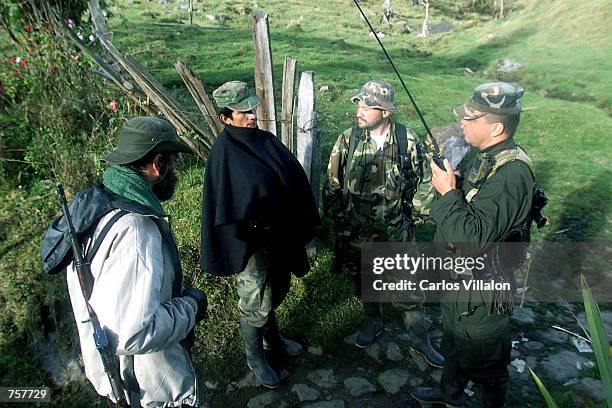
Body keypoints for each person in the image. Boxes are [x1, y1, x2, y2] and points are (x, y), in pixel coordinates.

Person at [42, 117, 208, 407]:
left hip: (116, 376)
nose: (175, 172)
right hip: (148, 387)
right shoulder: (135, 230)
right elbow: (133, 332)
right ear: (157, 165)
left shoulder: (97, 207)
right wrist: (191, 307)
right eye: (173, 163)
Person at [411, 82, 535, 407]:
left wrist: (447, 193)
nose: (462, 124)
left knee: (487, 364)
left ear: (496, 127)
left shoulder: (512, 174)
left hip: (483, 292)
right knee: (454, 340)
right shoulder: (488, 158)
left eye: (471, 119)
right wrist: (455, 184)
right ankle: (449, 393)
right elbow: (474, 205)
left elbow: (471, 239)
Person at [200, 81, 320, 388]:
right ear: (226, 118)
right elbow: (226, 204)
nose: (252, 115)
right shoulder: (224, 153)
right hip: (250, 244)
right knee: (255, 299)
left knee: (278, 288)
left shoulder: (266, 141)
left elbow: (292, 177)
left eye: (252, 109)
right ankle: (255, 357)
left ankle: (273, 340)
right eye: (242, 112)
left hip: (280, 236)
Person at [322, 80, 443, 367]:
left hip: (395, 234)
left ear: (386, 112)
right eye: (359, 105)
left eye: (367, 106)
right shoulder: (348, 139)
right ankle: (373, 322)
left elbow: (426, 180)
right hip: (357, 233)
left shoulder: (406, 140)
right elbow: (331, 184)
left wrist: (416, 214)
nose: (360, 111)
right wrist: (338, 219)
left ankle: (419, 339)